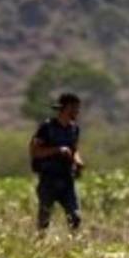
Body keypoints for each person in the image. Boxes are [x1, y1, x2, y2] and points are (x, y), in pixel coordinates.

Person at [30, 92, 84, 231]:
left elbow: (74, 149)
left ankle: (73, 246)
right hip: (49, 179)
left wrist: (78, 161)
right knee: (44, 218)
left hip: (67, 179)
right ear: (64, 108)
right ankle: (40, 245)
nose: (76, 111)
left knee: (75, 217)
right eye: (73, 108)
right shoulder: (47, 128)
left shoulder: (74, 129)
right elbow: (35, 151)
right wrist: (57, 150)